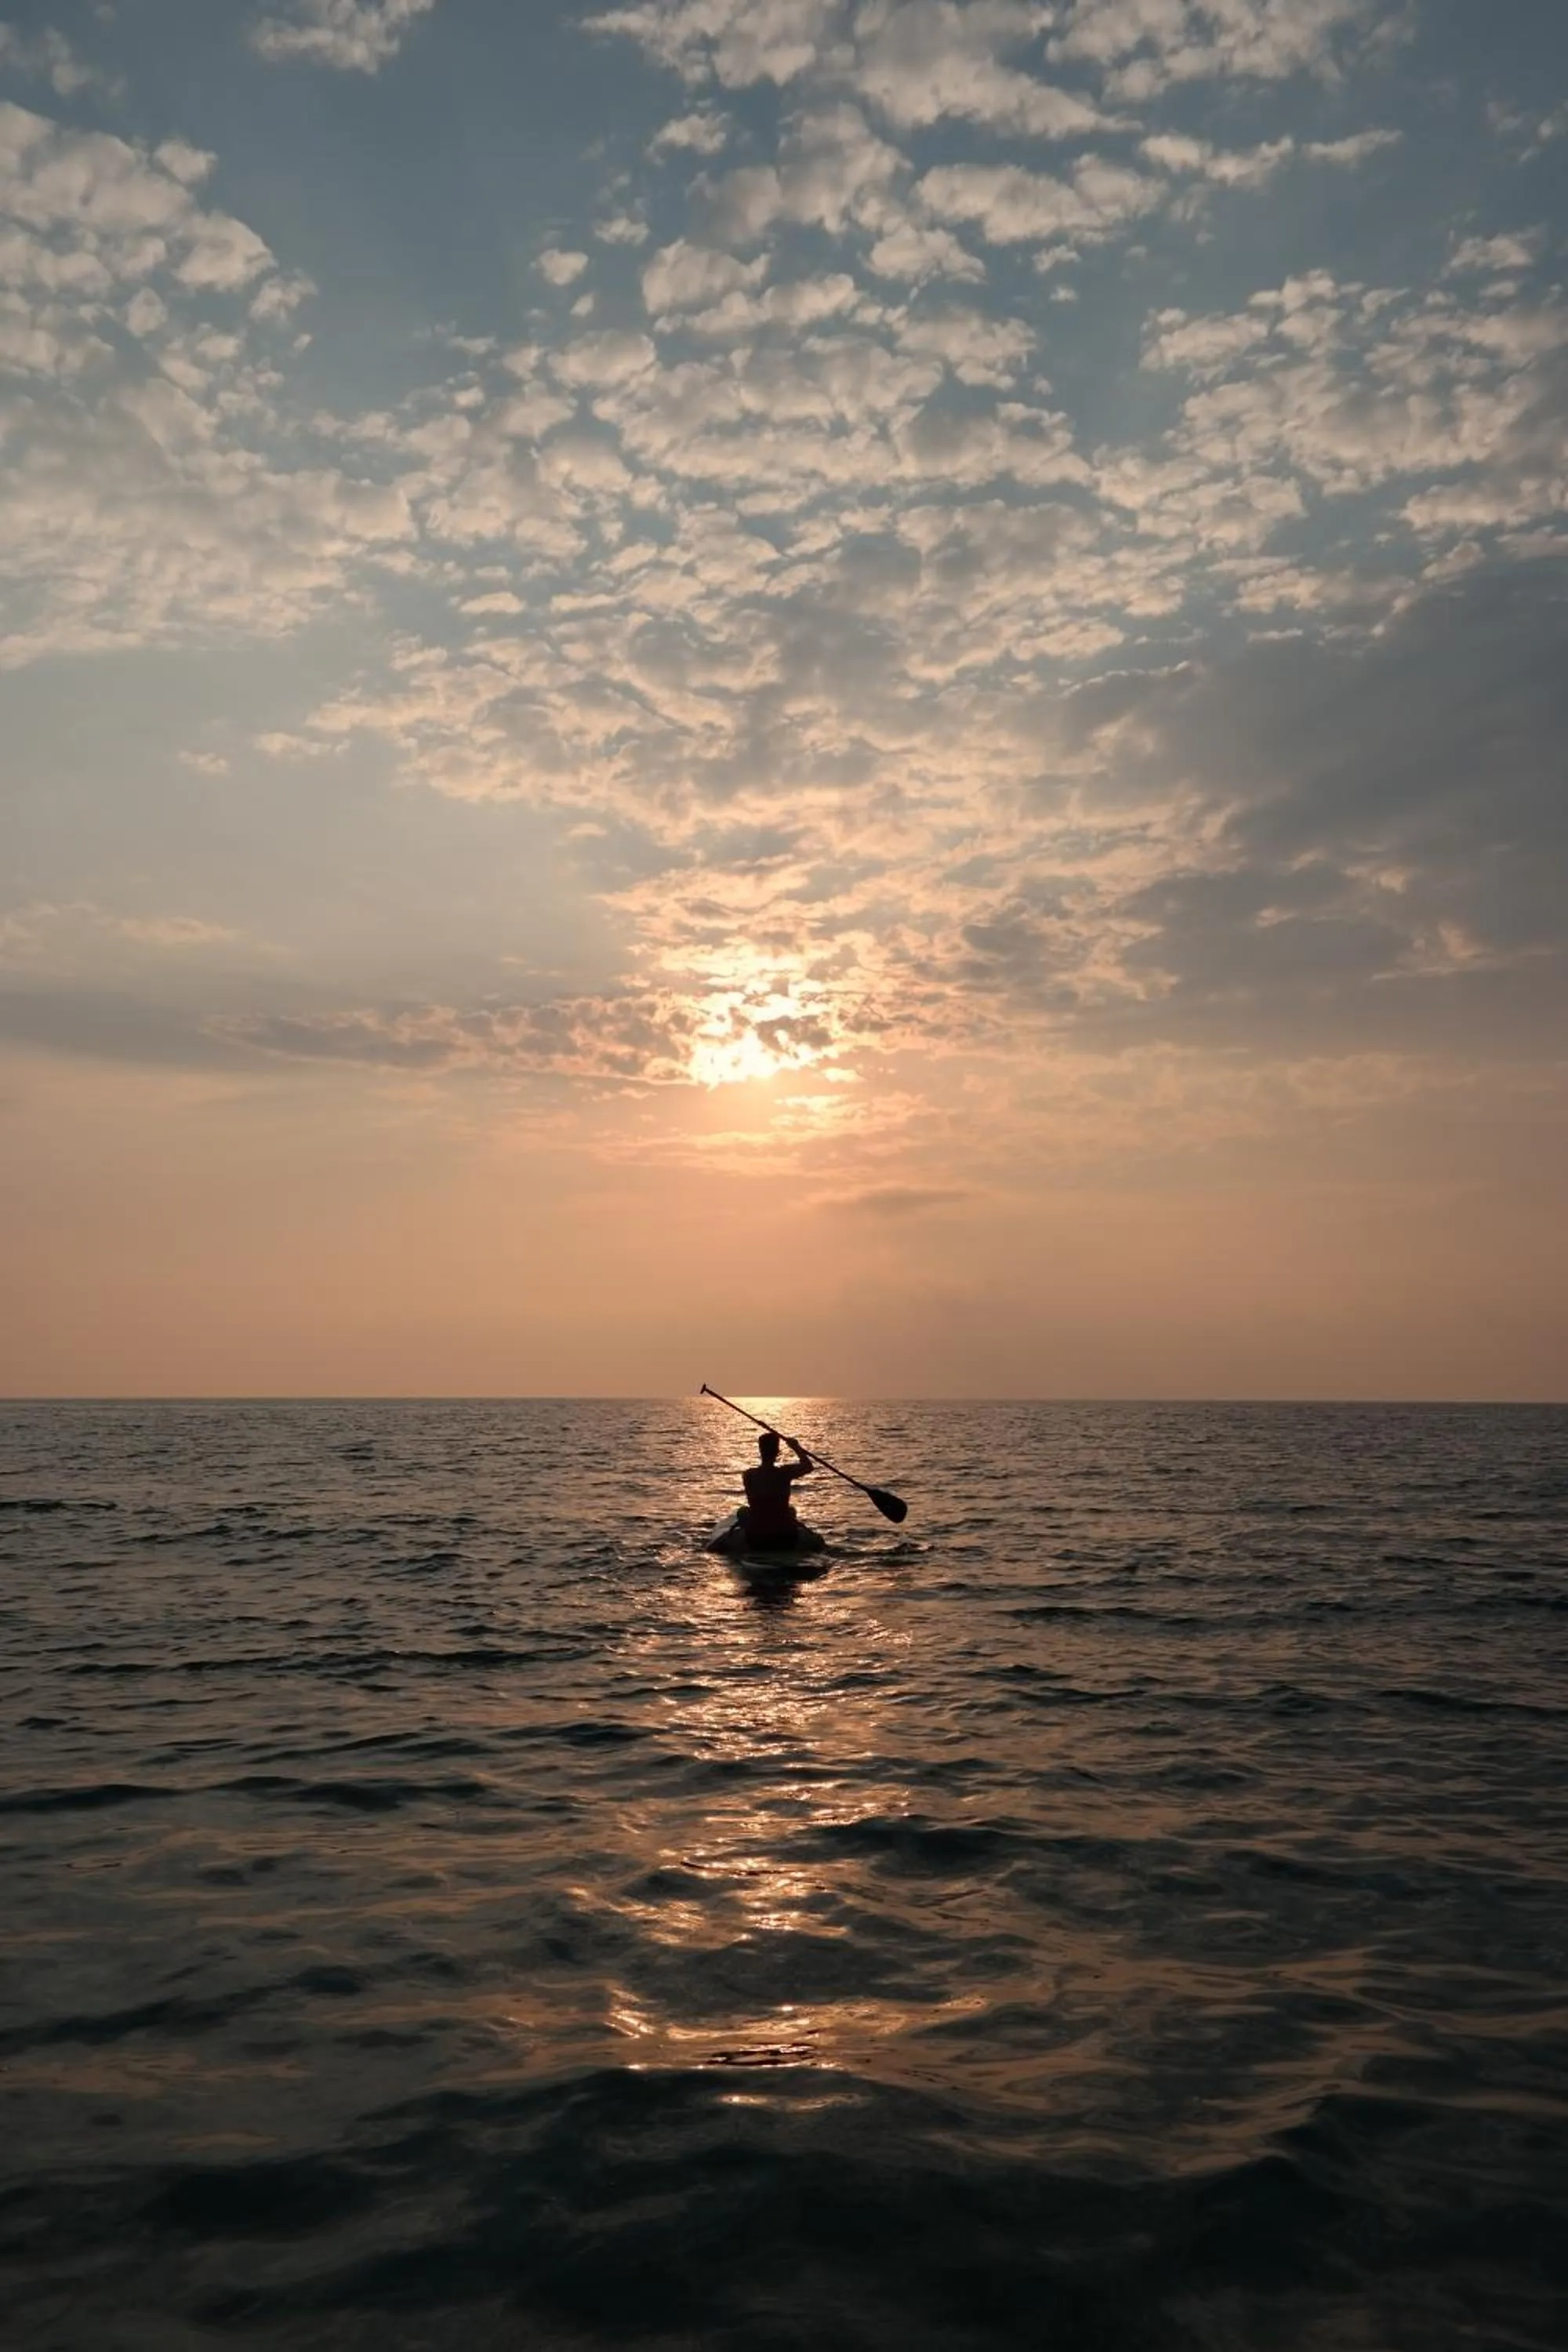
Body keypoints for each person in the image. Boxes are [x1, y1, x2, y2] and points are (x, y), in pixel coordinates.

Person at [742, 1429, 814, 1548]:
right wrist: (796, 1448)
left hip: (755, 1537)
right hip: (786, 1536)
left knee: (743, 1512)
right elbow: (808, 1466)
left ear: (760, 1451)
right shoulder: (785, 1473)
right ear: (777, 1452)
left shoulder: (748, 1475)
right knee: (791, 1511)